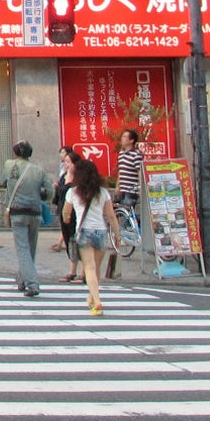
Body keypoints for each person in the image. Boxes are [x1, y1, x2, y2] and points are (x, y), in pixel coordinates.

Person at [65, 157, 118, 316]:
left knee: (89, 268)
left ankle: (97, 300)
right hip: (101, 231)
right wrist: (118, 235)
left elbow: (66, 212)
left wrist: (67, 219)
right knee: (96, 268)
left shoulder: (73, 191)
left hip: (84, 232)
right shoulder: (103, 192)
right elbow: (111, 215)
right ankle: (92, 297)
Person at [1, 141, 51, 297]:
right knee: (30, 248)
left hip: (17, 212)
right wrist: (39, 195)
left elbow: (4, 182)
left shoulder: (9, 165)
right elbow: (50, 192)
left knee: (22, 249)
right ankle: (22, 280)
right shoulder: (39, 170)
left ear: (16, 153)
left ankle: (32, 284)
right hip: (35, 212)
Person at [108, 127, 143, 281]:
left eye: (125, 137)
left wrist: (140, 188)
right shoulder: (121, 155)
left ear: (132, 140)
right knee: (121, 214)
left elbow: (139, 172)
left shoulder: (136, 155)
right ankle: (122, 239)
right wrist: (117, 186)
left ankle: (135, 232)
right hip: (123, 188)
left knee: (128, 212)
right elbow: (121, 173)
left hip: (132, 189)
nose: (122, 139)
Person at [54, 147, 83, 283]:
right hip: (63, 211)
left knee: (77, 241)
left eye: (69, 162)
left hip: (75, 214)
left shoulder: (79, 179)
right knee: (69, 241)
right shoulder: (64, 176)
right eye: (65, 162)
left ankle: (82, 272)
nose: (67, 165)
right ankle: (72, 271)